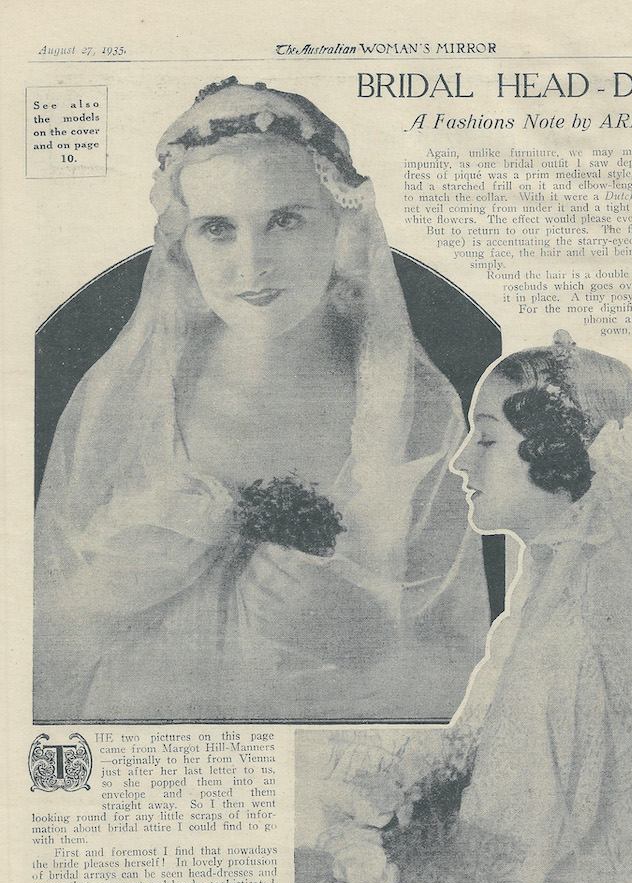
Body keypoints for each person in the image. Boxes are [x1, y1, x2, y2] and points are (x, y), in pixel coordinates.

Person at [34, 79, 491, 721]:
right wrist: (96, 598)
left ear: (341, 221)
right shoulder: (125, 396)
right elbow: (38, 658)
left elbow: (477, 679)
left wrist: (367, 644)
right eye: (218, 229)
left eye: (284, 220)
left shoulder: (415, 408)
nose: (253, 266)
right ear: (181, 246)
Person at [295, 331, 632, 883]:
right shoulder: (596, 575)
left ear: (558, 454)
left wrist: (377, 877)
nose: (460, 462)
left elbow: (506, 854)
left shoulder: (577, 619)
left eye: (485, 437)